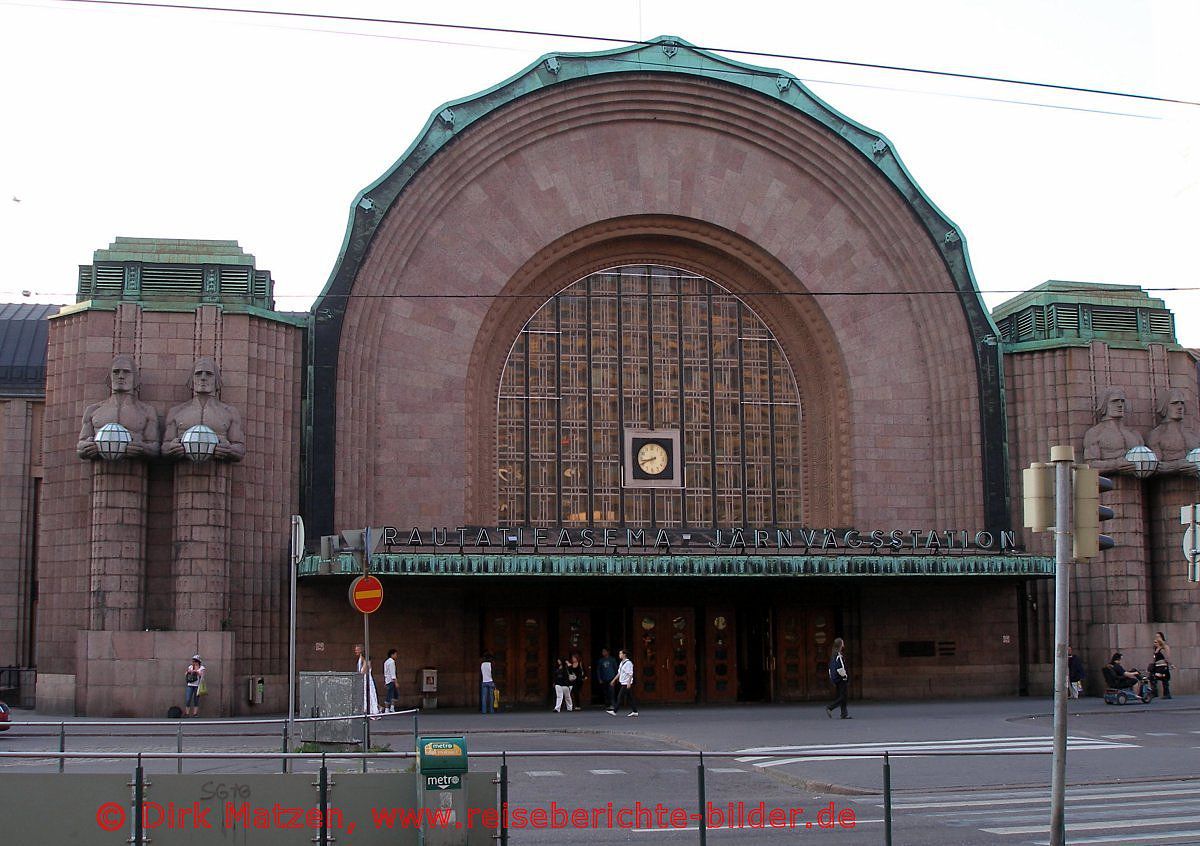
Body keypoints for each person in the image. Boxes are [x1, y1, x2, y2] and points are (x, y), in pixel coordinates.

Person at [162, 356, 246, 462]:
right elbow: (165, 446)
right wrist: (172, 448)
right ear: (191, 379)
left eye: (209, 374)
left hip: (219, 473)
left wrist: (229, 450)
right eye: (198, 373)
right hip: (183, 470)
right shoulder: (176, 412)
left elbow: (240, 448)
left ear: (217, 379)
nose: (203, 377)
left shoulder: (229, 412)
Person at [77, 354, 160, 460]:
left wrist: (143, 449)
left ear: (135, 378)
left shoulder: (147, 411)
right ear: (109, 377)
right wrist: (86, 448)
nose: (121, 376)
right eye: (116, 372)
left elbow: (155, 447)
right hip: (100, 470)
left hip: (135, 469)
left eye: (126, 372)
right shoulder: (93, 410)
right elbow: (81, 445)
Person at [1082, 387, 1149, 475]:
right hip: (1108, 485)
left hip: (1136, 485)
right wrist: (1115, 465)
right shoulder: (1095, 433)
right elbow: (1089, 465)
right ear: (1104, 404)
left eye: (1122, 401)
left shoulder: (1134, 433)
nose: (1120, 404)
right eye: (1115, 401)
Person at [1148, 389, 1200, 475]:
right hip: (1169, 486)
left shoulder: (1193, 435)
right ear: (1164, 406)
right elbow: (1154, 466)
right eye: (1174, 403)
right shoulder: (1156, 435)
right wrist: (1176, 466)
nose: (1180, 407)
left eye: (1182, 403)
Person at [608, 649, 638, 717]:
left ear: (624, 655)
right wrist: (613, 680)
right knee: (630, 697)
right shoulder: (621, 663)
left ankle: (615, 711)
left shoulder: (628, 663)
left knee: (620, 696)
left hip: (626, 683)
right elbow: (619, 673)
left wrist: (629, 682)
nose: (619, 655)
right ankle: (635, 711)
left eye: (620, 653)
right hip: (623, 682)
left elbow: (630, 673)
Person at [825, 637, 850, 719]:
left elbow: (830, 668)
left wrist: (832, 678)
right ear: (840, 645)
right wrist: (845, 676)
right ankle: (830, 707)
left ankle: (844, 713)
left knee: (842, 695)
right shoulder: (838, 656)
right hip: (841, 678)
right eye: (842, 643)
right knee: (843, 696)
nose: (843, 644)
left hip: (836, 679)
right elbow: (840, 668)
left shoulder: (833, 655)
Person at [354, 643, 380, 715]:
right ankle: (365, 709)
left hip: (366, 679)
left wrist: (365, 662)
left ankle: (372, 710)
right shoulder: (360, 659)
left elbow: (364, 671)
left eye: (357, 650)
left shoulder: (365, 660)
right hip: (363, 679)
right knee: (364, 695)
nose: (355, 651)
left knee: (369, 694)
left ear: (361, 650)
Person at [1150, 632, 1172, 699]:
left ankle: (1167, 694)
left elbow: (1167, 656)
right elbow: (1154, 656)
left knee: (1164, 678)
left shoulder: (1164, 646)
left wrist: (1167, 662)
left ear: (1162, 637)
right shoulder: (1155, 646)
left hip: (1162, 665)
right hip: (1157, 665)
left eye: (1159, 636)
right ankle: (1154, 692)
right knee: (1152, 677)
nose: (1157, 638)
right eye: (1156, 637)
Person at [383, 648, 398, 713]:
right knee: (390, 694)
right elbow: (393, 673)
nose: (396, 656)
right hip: (391, 681)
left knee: (394, 694)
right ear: (392, 654)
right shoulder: (392, 662)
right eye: (395, 654)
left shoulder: (386, 662)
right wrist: (396, 682)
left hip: (388, 680)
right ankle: (387, 708)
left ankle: (391, 707)